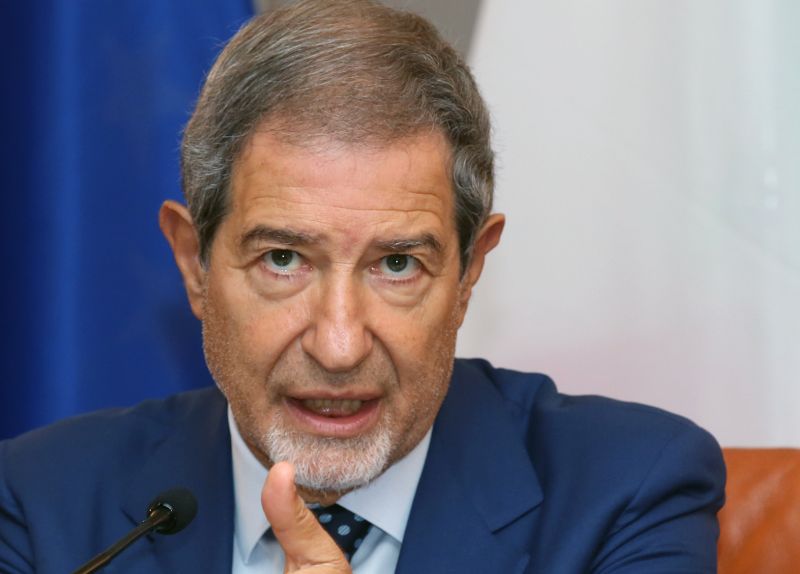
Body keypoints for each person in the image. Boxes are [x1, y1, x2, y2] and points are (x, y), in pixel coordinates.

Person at [0, 1, 725, 572]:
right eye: (283, 259)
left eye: (398, 264)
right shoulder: (42, 504)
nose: (340, 345)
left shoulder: (625, 494)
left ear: (469, 271)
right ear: (194, 263)